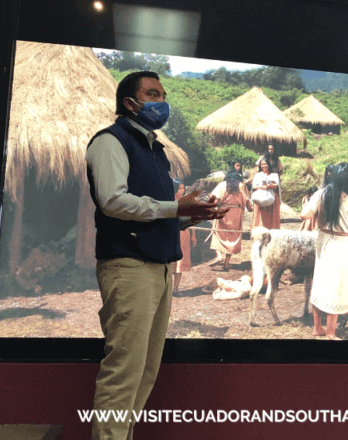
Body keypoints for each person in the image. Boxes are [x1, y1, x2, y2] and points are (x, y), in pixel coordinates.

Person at [85, 71, 228, 439]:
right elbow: (113, 201)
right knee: (124, 370)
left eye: (162, 94)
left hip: (160, 269)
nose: (160, 101)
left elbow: (158, 213)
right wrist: (174, 207)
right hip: (129, 267)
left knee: (145, 371)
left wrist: (189, 215)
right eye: (152, 94)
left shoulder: (157, 150)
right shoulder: (109, 142)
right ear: (129, 103)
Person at [301, 162, 348, 340]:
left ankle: (317, 329)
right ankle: (330, 333)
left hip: (323, 241)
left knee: (321, 283)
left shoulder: (322, 194)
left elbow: (304, 215)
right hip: (343, 244)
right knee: (337, 287)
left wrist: (312, 202)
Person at [208, 159, 253, 272]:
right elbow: (249, 206)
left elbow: (214, 201)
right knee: (233, 237)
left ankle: (219, 255)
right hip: (236, 214)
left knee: (218, 233)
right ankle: (227, 263)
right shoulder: (242, 186)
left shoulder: (222, 185)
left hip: (223, 212)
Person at [172, 180, 197, 297]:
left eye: (183, 188)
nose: (182, 191)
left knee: (181, 261)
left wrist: (193, 234)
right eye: (179, 188)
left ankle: (176, 288)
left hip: (184, 234)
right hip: (171, 235)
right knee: (170, 261)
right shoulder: (167, 202)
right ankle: (167, 288)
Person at [251, 159, 281, 229]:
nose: (264, 166)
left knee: (271, 214)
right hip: (260, 197)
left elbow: (276, 185)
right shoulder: (258, 175)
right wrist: (261, 187)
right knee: (260, 214)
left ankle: (272, 230)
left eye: (265, 164)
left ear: (268, 165)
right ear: (260, 166)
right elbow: (254, 186)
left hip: (272, 197)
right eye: (262, 164)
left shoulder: (274, 175)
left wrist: (269, 186)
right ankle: (259, 230)